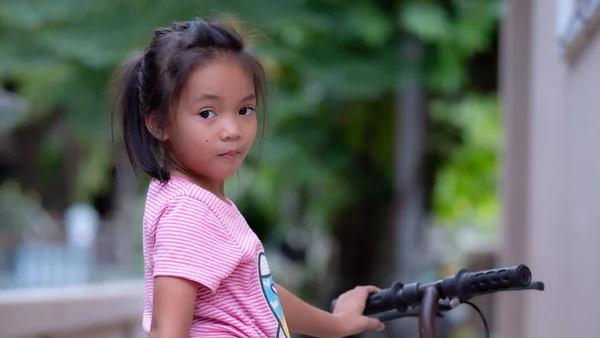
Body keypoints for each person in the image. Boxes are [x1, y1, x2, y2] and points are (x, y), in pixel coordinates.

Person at [112, 17, 385, 338]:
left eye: (245, 110)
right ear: (158, 124)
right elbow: (167, 331)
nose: (232, 131)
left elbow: (256, 292)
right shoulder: (187, 210)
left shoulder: (198, 200)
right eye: (207, 113)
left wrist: (335, 325)